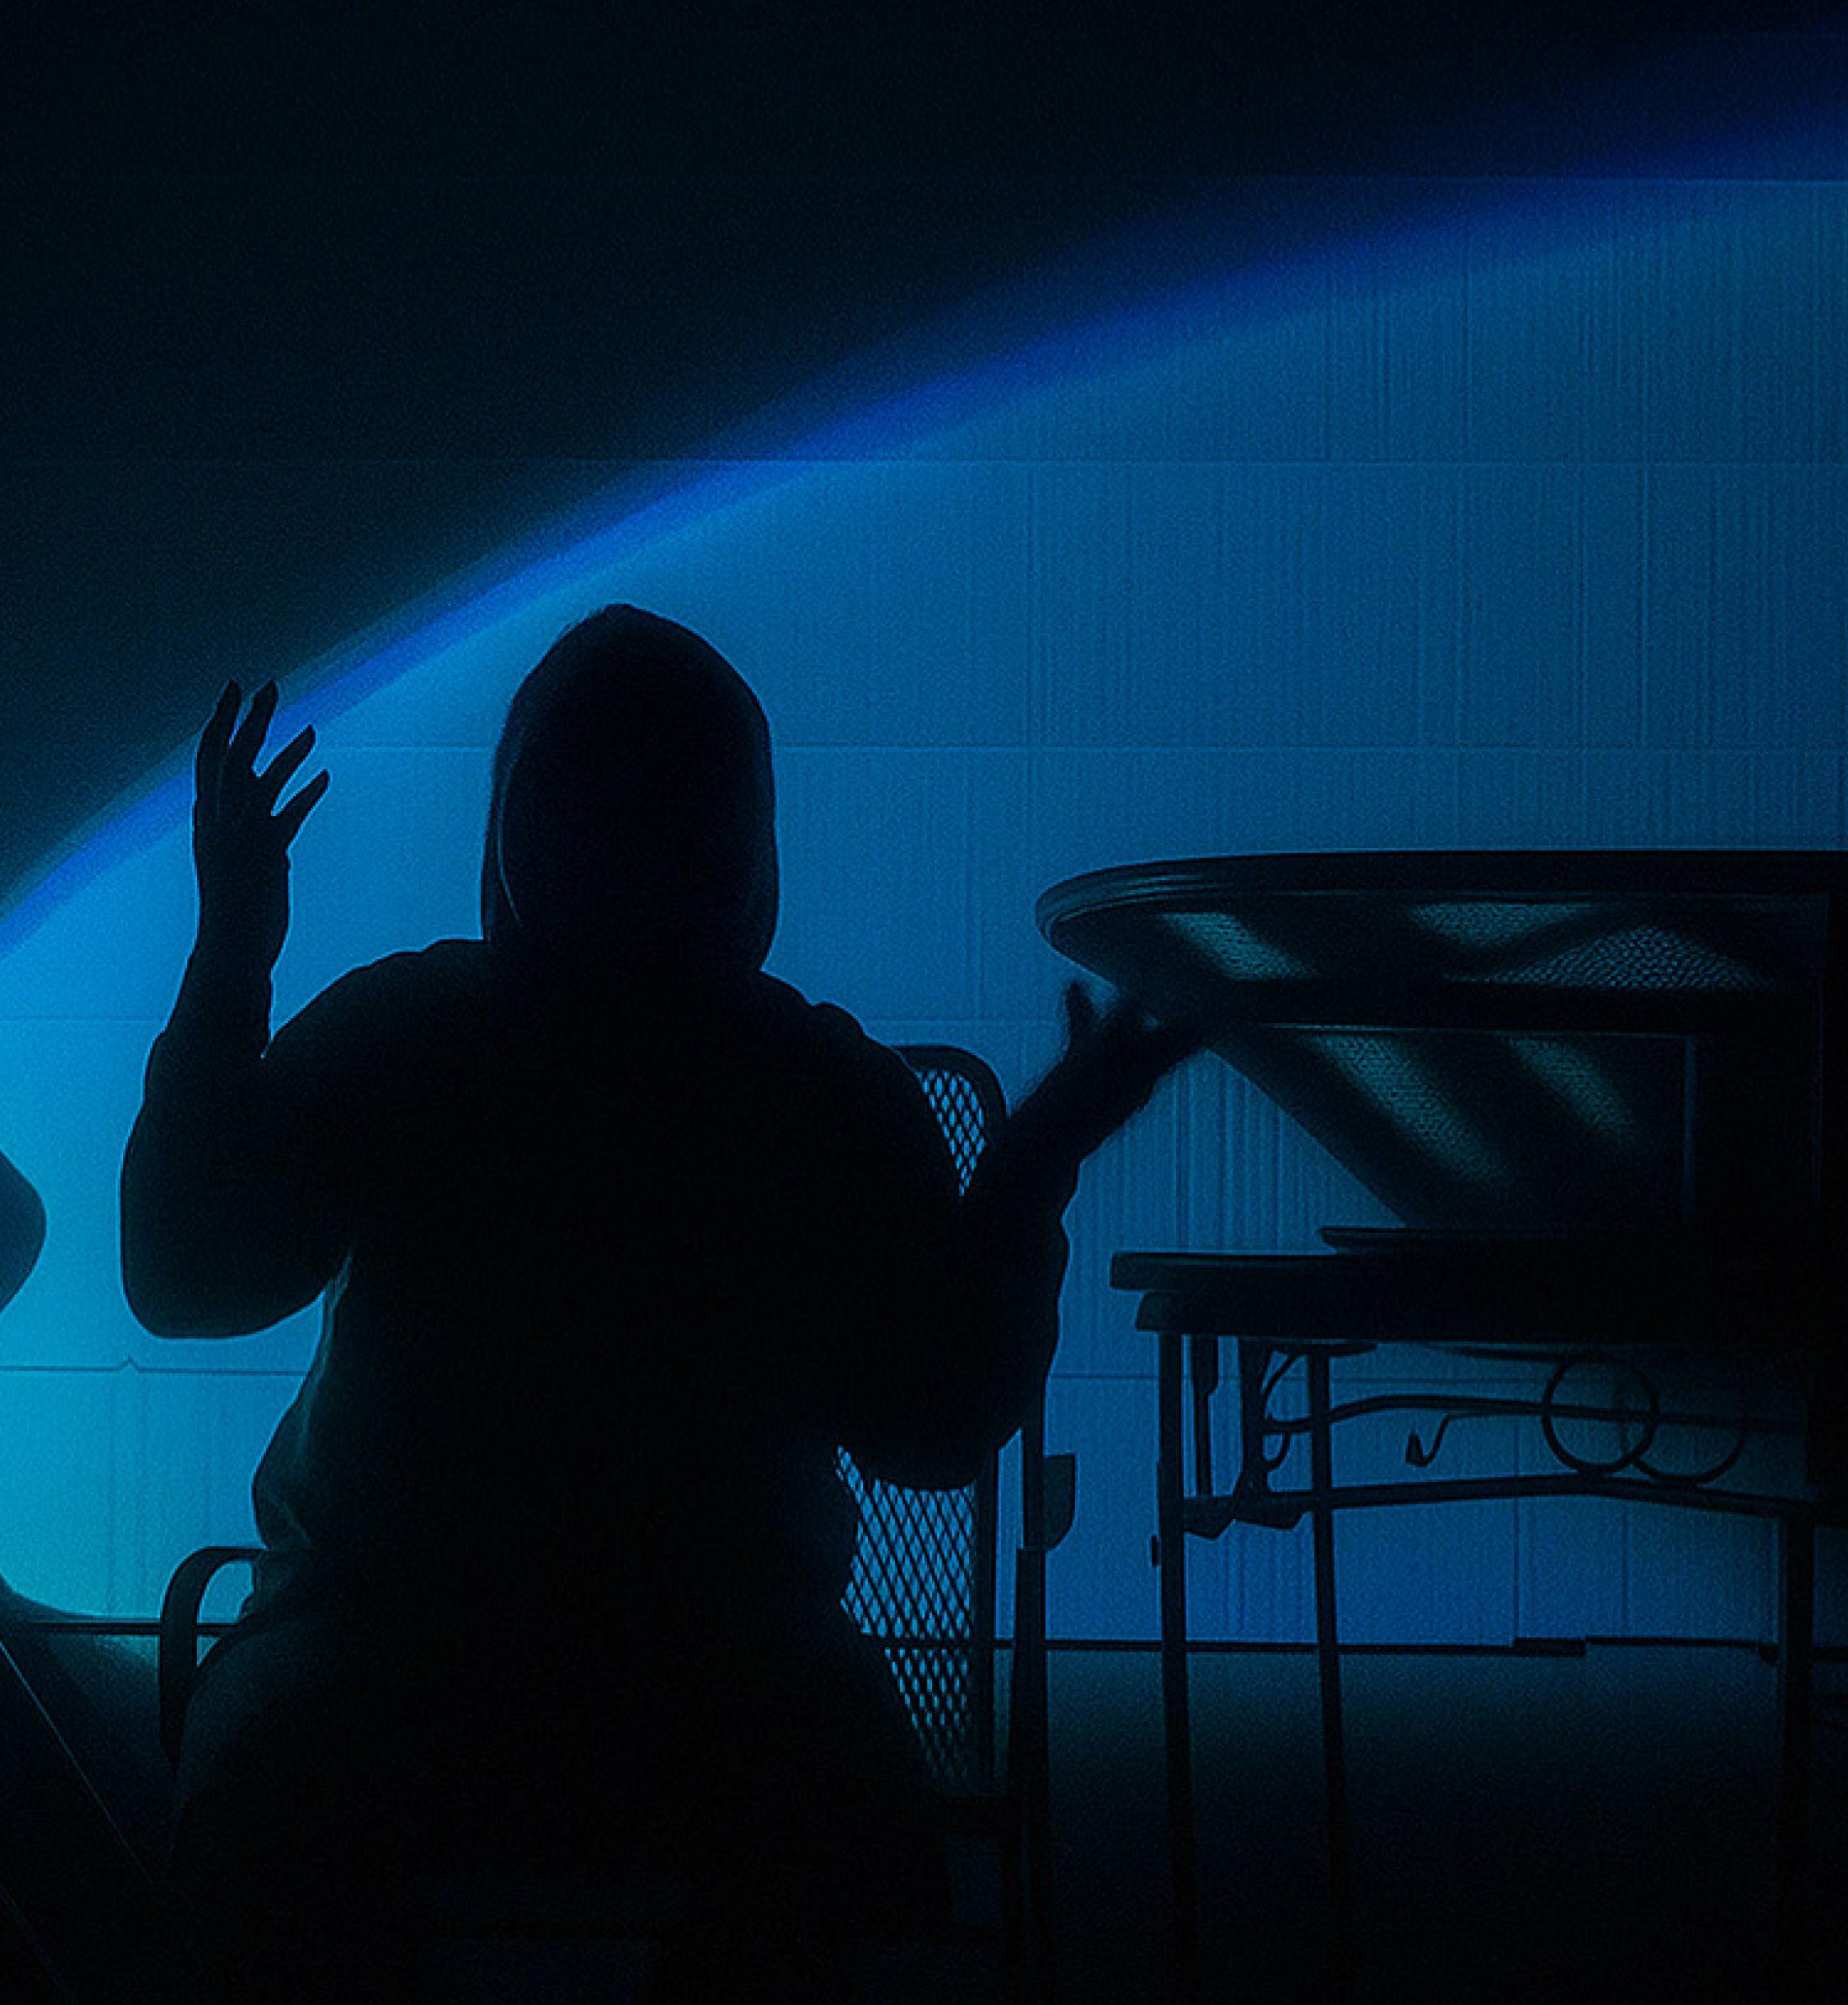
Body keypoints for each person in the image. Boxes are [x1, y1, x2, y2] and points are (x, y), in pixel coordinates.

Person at [122, 605, 1197, 2000]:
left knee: (276, 1819)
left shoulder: (403, 1033)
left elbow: (186, 1279)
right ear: (750, 843)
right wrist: (1034, 1163)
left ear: (513, 827)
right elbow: (931, 1428)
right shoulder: (819, 1090)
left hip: (372, 1643)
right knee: (828, 1818)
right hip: (727, 1658)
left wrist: (233, 952)